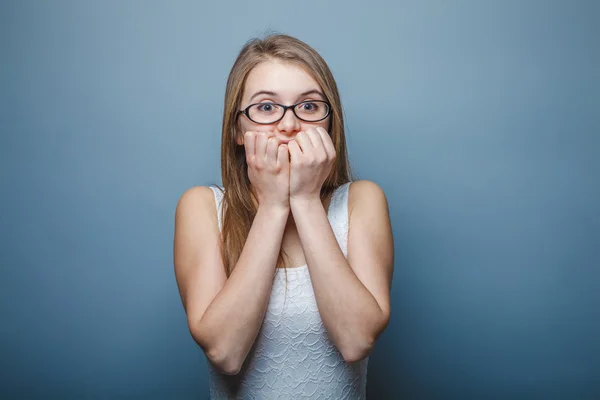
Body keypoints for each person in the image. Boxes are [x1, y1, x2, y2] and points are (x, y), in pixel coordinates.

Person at [173, 34, 394, 399]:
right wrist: (274, 205)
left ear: (329, 124)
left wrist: (304, 199)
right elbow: (225, 352)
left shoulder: (361, 202)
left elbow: (356, 340)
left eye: (308, 107)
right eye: (265, 108)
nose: (289, 125)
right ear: (237, 131)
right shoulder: (202, 208)